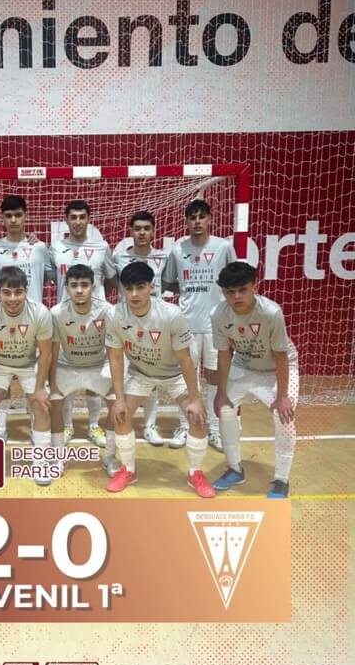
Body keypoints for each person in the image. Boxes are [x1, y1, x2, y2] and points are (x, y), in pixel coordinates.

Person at [105, 261, 215, 497]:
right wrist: (119, 399)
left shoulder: (171, 314)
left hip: (176, 374)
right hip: (141, 373)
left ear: (151, 287)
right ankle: (128, 470)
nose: (134, 294)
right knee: (120, 415)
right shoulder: (115, 315)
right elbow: (115, 358)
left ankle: (195, 473)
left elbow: (186, 360)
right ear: (123, 290)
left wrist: (195, 398)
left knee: (198, 418)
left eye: (140, 287)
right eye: (129, 289)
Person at [211, 261, 298, 498]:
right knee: (225, 410)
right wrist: (221, 393)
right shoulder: (218, 315)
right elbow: (224, 354)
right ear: (223, 292)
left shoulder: (271, 312)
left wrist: (282, 396)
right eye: (230, 292)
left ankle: (281, 480)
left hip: (278, 367)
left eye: (242, 290)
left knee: (284, 416)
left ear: (254, 287)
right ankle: (234, 469)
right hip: (244, 365)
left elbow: (281, 356)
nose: (237, 296)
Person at [163, 199, 235, 451]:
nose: (197, 222)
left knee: (215, 378)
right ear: (186, 221)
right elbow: (168, 281)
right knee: (186, 377)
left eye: (201, 217)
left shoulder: (223, 247)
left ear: (209, 219)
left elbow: (233, 279)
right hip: (187, 325)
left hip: (216, 326)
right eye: (192, 217)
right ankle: (185, 425)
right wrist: (188, 292)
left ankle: (213, 428)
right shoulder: (177, 250)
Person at [0, 266, 53, 485]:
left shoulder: (40, 312)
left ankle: (41, 462)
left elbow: (46, 353)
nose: (12, 299)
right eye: (6, 292)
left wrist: (39, 388)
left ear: (26, 291)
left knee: (42, 406)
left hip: (29, 364)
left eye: (18, 292)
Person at [48, 199, 117, 448]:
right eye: (73, 217)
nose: (78, 221)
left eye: (82, 216)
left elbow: (112, 280)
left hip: (95, 321)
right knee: (63, 375)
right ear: (66, 220)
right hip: (65, 321)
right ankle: (67, 426)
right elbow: (49, 276)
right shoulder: (55, 247)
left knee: (95, 375)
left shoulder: (101, 247)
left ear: (89, 219)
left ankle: (93, 425)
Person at [49, 265, 115, 475]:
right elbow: (52, 350)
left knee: (117, 403)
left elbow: (114, 349)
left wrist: (116, 383)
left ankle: (110, 458)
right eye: (74, 285)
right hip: (67, 366)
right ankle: (58, 458)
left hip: (98, 366)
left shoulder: (107, 310)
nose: (79, 290)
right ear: (67, 288)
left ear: (93, 287)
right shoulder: (56, 312)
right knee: (54, 402)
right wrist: (52, 384)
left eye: (84, 285)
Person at [112, 210, 170, 447]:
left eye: (146, 228)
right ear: (131, 231)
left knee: (151, 376)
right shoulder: (118, 257)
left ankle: (149, 426)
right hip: (125, 325)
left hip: (154, 326)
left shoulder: (164, 257)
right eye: (137, 229)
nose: (142, 233)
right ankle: (121, 423)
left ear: (154, 231)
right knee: (122, 375)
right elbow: (108, 282)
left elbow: (170, 283)